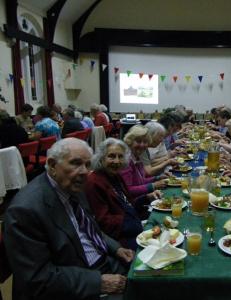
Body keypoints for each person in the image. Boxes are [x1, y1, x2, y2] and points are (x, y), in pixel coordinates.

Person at [4, 138, 134, 300]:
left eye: (87, 165)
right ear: (52, 165)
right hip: (75, 281)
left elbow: (91, 229)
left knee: (152, 278)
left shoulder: (72, 184)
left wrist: (116, 248)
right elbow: (37, 277)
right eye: (75, 163)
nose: (84, 171)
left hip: (102, 261)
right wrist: (97, 282)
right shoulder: (25, 210)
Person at [86, 138, 148, 250]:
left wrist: (147, 198)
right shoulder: (94, 182)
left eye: (120, 156)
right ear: (101, 158)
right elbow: (103, 221)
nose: (117, 161)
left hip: (133, 225)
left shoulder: (116, 176)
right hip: (120, 239)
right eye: (111, 156)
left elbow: (127, 203)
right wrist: (134, 224)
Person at [120, 125, 167, 199]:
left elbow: (140, 181)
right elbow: (128, 190)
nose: (142, 145)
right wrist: (153, 185)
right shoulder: (126, 160)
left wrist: (157, 178)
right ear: (130, 141)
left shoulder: (137, 157)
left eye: (145, 142)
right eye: (138, 141)